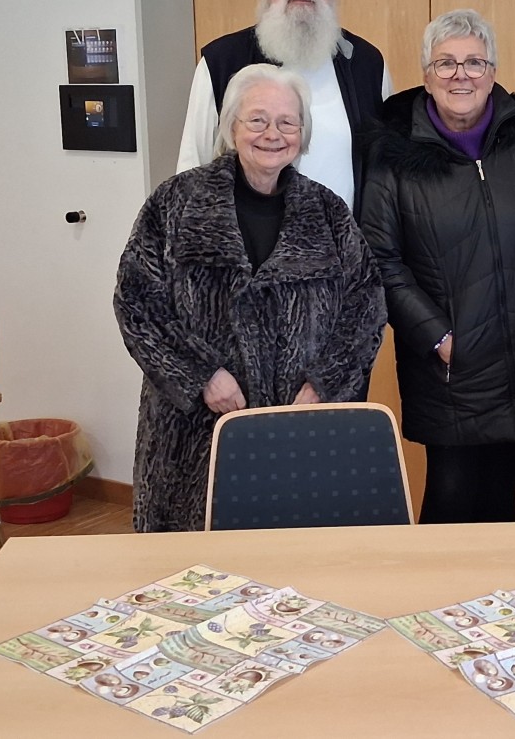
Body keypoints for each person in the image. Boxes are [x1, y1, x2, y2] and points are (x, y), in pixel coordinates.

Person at [116, 64, 386, 532]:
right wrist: (202, 374)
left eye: (287, 122)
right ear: (232, 128)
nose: (272, 134)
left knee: (289, 567)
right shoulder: (177, 202)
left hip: (296, 429)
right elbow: (138, 302)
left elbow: (365, 308)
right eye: (257, 119)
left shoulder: (328, 213)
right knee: (190, 574)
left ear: (302, 135)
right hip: (192, 432)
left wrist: (322, 384)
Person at [359, 9, 515, 524]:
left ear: (494, 71)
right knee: (450, 496)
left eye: (475, 62)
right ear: (426, 74)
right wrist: (437, 336)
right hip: (446, 362)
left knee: (502, 494)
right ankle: (434, 601)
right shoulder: (394, 151)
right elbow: (380, 259)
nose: (462, 75)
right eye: (446, 63)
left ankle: (493, 605)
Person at [175, 0, 392, 209]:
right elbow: (189, 172)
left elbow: (385, 176)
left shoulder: (367, 64)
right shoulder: (221, 63)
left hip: (345, 251)